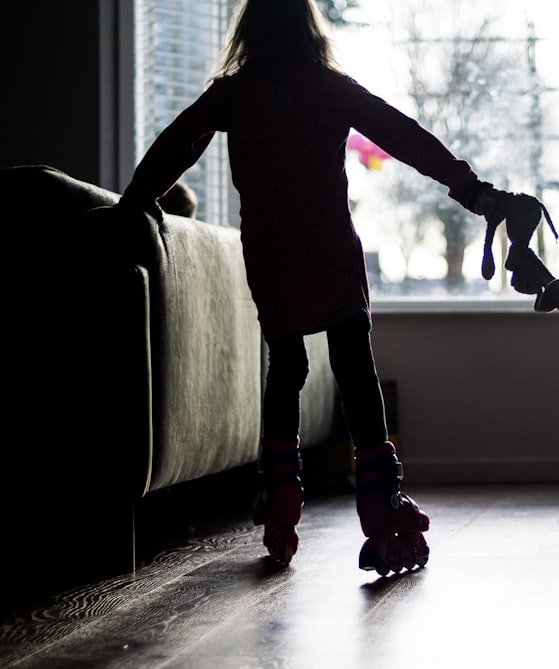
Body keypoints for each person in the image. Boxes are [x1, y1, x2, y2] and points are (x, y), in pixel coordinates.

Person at [118, 0, 503, 575]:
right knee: (354, 364)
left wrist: (132, 205)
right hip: (326, 247)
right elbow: (406, 138)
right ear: (306, 25)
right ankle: (380, 501)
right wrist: (474, 193)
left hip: (270, 255)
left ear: (250, 29)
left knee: (287, 366)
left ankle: (279, 494)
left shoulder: (233, 93)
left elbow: (175, 144)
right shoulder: (329, 87)